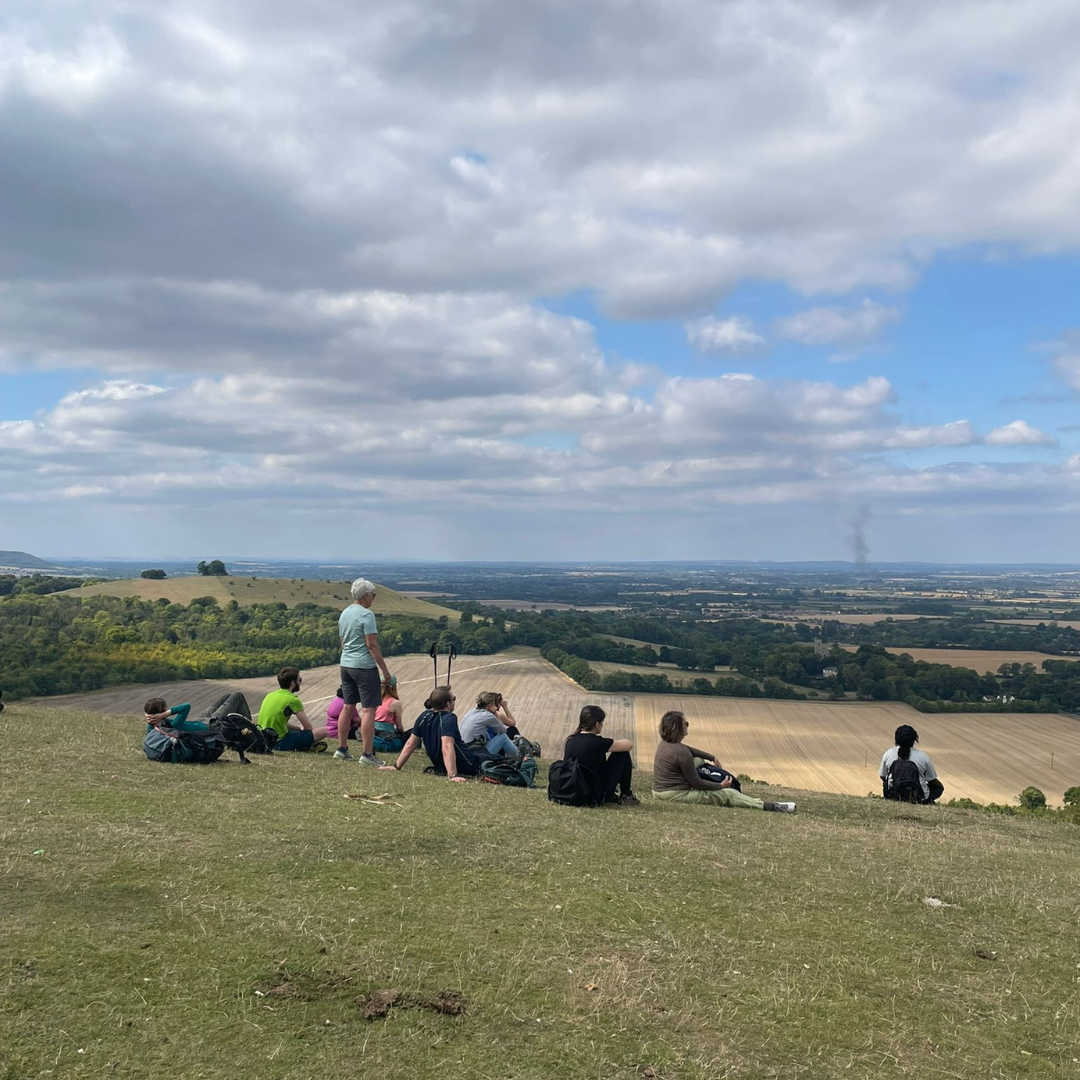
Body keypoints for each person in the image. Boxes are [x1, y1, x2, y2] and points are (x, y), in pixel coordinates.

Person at [651, 710, 796, 812]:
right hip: (674, 793)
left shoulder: (665, 744)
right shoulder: (681, 753)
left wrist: (711, 757)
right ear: (677, 728)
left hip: (659, 791)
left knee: (699, 760)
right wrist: (720, 786)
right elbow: (696, 784)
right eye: (685, 724)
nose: (687, 725)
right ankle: (769, 806)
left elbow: (689, 750)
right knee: (727, 794)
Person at [334, 577, 393, 765]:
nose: (373, 598)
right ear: (366, 595)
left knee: (347, 706)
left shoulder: (344, 613)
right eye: (373, 595)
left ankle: (341, 749)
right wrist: (385, 671)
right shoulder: (367, 615)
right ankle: (367, 754)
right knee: (368, 710)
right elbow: (372, 645)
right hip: (364, 666)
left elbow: (342, 642)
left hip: (346, 664)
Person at [379, 687, 487, 780]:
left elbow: (410, 744)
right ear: (448, 704)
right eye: (453, 699)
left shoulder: (424, 716)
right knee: (492, 758)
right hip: (467, 763)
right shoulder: (449, 718)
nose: (454, 701)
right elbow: (447, 746)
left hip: (440, 766)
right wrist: (453, 775)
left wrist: (397, 766)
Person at [563, 704, 639, 805]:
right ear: (597, 724)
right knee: (622, 753)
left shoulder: (571, 740)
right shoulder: (599, 742)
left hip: (573, 790)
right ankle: (626, 795)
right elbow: (628, 745)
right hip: (594, 794)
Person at [256, 667, 329, 751]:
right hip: (280, 742)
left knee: (295, 732)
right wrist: (303, 733)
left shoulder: (269, 695)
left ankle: (304, 746)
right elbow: (308, 727)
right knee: (325, 730)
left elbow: (277, 720)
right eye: (300, 680)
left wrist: (296, 728)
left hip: (265, 740)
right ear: (293, 683)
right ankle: (305, 746)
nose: (300, 682)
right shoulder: (292, 700)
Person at [880, 724, 944, 804]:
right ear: (914, 739)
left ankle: (891, 799)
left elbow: (883, 776)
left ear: (896, 739)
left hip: (894, 794)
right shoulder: (924, 757)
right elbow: (932, 780)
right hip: (918, 796)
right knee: (938, 787)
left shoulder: (888, 754)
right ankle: (927, 802)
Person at [458, 691, 532, 758]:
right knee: (503, 737)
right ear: (490, 705)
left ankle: (516, 749)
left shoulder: (470, 712)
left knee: (487, 734)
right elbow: (503, 730)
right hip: (476, 753)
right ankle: (520, 756)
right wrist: (495, 712)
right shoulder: (488, 716)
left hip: (465, 750)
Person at [373, 674, 406, 750]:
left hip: (373, 733)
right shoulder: (395, 703)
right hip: (387, 736)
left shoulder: (375, 700)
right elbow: (399, 727)